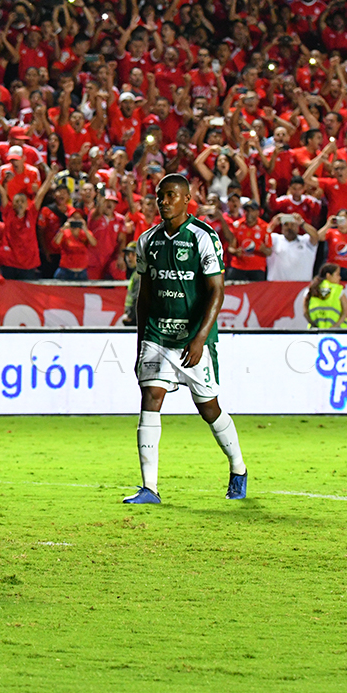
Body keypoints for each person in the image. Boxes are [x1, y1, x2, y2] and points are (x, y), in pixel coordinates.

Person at [125, 173, 247, 505]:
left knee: (208, 408)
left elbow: (216, 292)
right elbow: (144, 295)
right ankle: (149, 488)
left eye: (170, 195)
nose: (163, 201)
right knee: (151, 397)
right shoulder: (147, 240)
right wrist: (140, 341)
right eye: (159, 196)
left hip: (193, 337)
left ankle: (238, 468)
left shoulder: (203, 237)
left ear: (186, 199)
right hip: (157, 334)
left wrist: (199, 338)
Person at [266, 213, 322, 282]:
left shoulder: (305, 241)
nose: (289, 228)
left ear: (298, 227)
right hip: (277, 285)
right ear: (282, 228)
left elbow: (316, 236)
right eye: (286, 225)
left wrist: (302, 223)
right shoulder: (275, 239)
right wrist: (273, 223)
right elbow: (263, 235)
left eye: (292, 225)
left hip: (301, 286)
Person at [305, 263, 347, 329]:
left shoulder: (311, 289)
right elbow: (345, 312)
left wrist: (315, 327)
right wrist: (334, 327)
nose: (340, 278)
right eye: (337, 275)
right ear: (328, 275)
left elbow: (305, 312)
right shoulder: (338, 290)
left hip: (314, 331)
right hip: (337, 332)